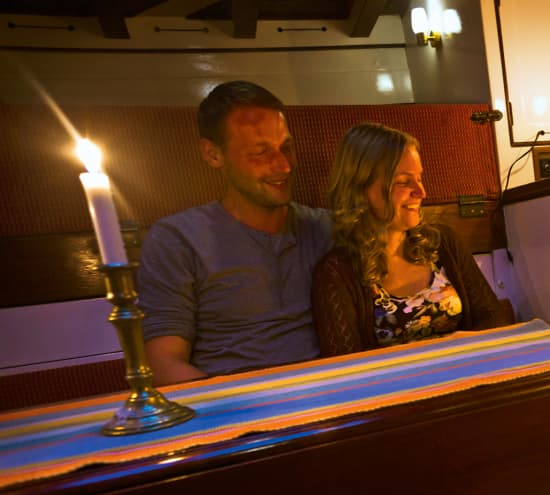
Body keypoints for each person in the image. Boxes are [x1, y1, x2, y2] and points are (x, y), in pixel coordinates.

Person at [137, 80, 332, 385]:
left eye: (287, 148)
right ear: (213, 155)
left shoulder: (324, 229)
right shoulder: (177, 239)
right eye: (260, 152)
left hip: (328, 397)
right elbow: (163, 362)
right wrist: (243, 411)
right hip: (230, 406)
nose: (282, 165)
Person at [312, 122, 509, 356]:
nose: (421, 192)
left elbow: (493, 317)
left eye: (419, 178)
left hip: (468, 380)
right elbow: (346, 368)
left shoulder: (442, 242)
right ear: (361, 188)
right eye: (404, 182)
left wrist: (457, 347)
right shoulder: (336, 273)